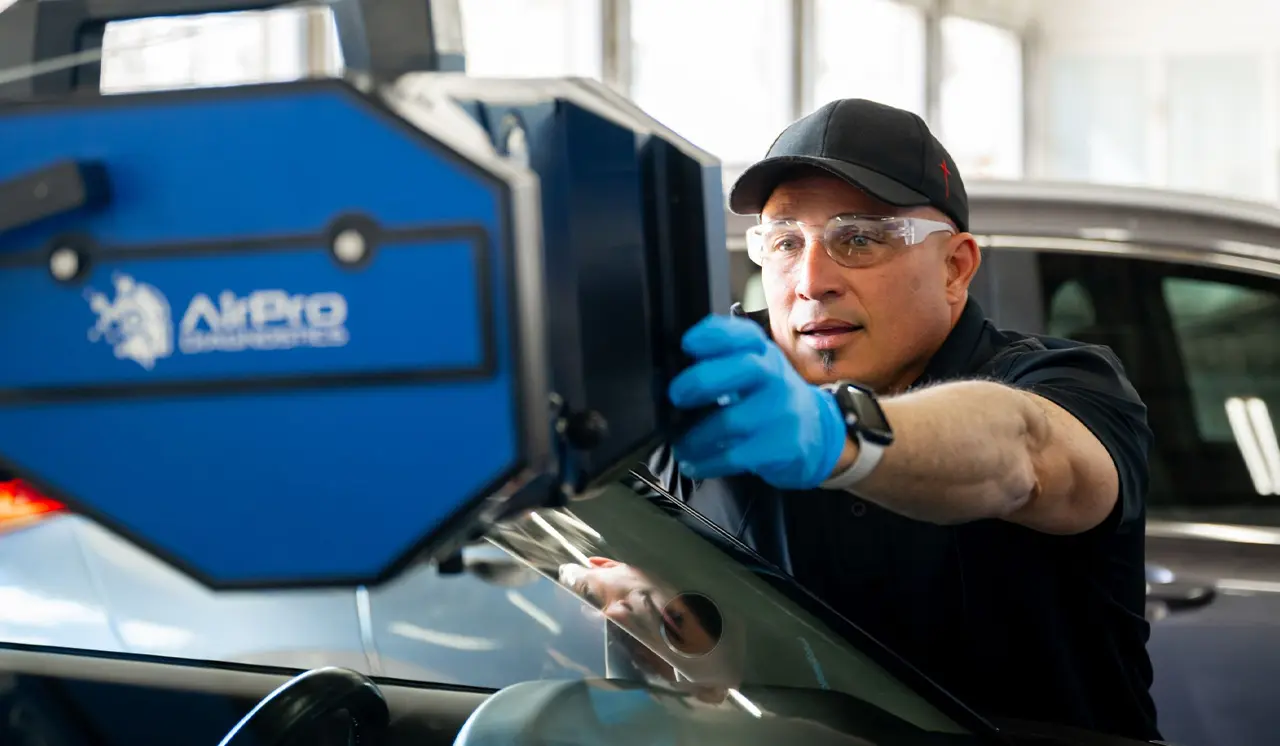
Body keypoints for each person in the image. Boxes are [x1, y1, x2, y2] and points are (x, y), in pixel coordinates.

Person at [647, 98, 1159, 741]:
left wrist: (838, 432)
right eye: (785, 242)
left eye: (858, 239)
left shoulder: (1068, 381)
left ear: (955, 267)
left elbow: (1022, 449)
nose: (811, 281)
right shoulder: (710, 392)